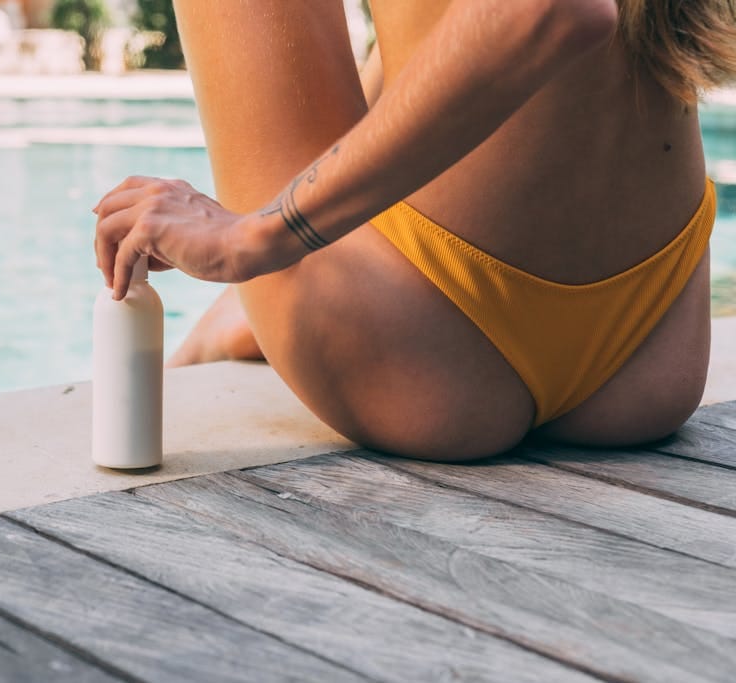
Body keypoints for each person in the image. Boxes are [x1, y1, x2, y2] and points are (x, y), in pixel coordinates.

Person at [93, 0, 736, 461]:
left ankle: (250, 309)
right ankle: (235, 322)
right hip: (652, 342)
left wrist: (259, 236)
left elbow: (553, 11)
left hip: (426, 348)